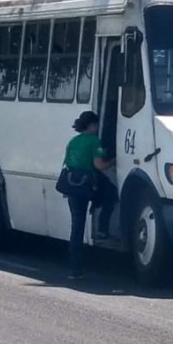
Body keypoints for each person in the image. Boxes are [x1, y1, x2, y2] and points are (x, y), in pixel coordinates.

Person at [61, 111, 115, 279]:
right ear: (91, 125)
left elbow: (66, 162)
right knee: (110, 196)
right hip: (85, 186)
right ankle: (102, 230)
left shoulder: (73, 141)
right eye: (96, 124)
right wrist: (114, 160)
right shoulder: (94, 141)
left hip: (71, 186)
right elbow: (99, 165)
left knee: (75, 226)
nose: (98, 127)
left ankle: (74, 268)